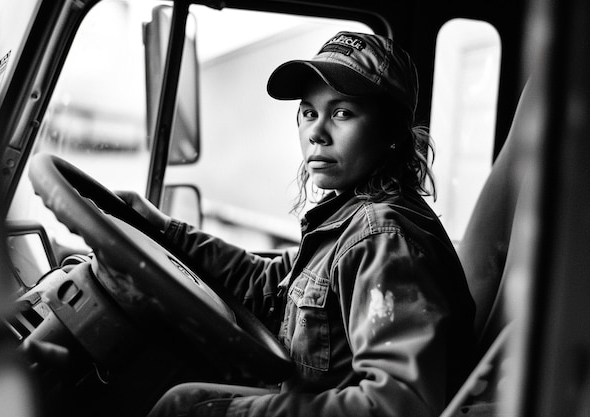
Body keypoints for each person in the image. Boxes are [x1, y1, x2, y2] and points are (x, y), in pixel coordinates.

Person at [119, 31, 475, 417]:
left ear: (390, 131)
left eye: (342, 113)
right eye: (309, 113)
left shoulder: (382, 238)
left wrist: (235, 413)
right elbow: (267, 282)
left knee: (182, 407)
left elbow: (397, 406)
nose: (316, 133)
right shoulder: (348, 219)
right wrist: (161, 227)